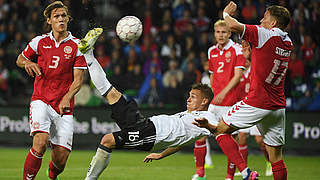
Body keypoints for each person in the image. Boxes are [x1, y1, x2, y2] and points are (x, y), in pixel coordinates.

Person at [77, 28, 219, 180]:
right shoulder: (189, 117)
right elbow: (182, 142)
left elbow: (220, 130)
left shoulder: (207, 116)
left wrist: (210, 126)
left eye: (193, 97)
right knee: (112, 93)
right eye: (189, 96)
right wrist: (161, 155)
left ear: (204, 101)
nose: (188, 99)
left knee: (107, 140)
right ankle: (88, 53)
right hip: (145, 124)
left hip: (151, 135)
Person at [193, 2, 293, 180]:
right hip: (277, 105)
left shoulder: (265, 34)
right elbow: (267, 63)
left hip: (257, 101)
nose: (261, 20)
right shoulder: (287, 42)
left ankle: (245, 173)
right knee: (276, 158)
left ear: (274, 24)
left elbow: (232, 25)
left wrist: (225, 13)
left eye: (265, 17)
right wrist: (251, 57)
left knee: (221, 130)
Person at [16, 1, 87, 180]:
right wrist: (28, 62)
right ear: (49, 20)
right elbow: (20, 59)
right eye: (56, 16)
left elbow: (78, 80)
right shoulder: (39, 42)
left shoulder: (77, 46)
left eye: (63, 16)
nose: (61, 19)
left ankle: (52, 175)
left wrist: (67, 97)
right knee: (40, 143)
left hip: (64, 106)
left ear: (68, 19)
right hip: (41, 99)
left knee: (60, 161)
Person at [192, 19, 246, 180]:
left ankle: (229, 177)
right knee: (200, 133)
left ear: (230, 33)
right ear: (214, 34)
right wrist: (210, 94)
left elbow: (238, 76)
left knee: (232, 140)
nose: (221, 35)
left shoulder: (237, 49)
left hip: (230, 102)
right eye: (218, 32)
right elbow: (212, 75)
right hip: (214, 103)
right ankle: (200, 173)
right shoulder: (211, 51)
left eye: (224, 32)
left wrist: (223, 92)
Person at [236, 46, 272, 177]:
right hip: (243, 109)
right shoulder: (238, 73)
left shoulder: (255, 71)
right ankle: (244, 169)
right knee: (241, 138)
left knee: (259, 140)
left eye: (245, 59)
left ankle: (269, 162)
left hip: (256, 108)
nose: (244, 62)